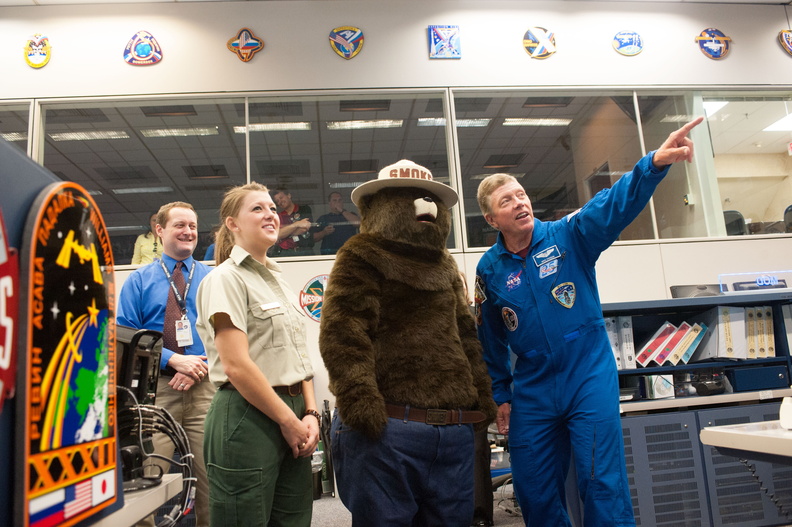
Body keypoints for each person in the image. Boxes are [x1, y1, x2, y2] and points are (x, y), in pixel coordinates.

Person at [473, 117, 704, 526]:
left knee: (600, 482)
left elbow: (612, 204)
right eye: (507, 201)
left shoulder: (569, 235)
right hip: (533, 385)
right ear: (492, 220)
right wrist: (500, 393)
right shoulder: (489, 270)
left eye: (522, 194)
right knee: (534, 490)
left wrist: (653, 164)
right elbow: (490, 337)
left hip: (586, 374)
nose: (520, 203)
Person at [196, 182, 319, 527]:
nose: (270, 214)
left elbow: (299, 357)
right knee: (244, 518)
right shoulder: (224, 279)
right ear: (233, 224)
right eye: (257, 209)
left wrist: (309, 412)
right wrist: (288, 420)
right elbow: (236, 366)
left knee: (293, 518)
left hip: (294, 412)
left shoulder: (277, 279)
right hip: (247, 415)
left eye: (271, 208)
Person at [116, 201, 214, 527]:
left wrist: (197, 366)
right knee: (149, 480)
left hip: (205, 389)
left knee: (211, 480)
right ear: (159, 230)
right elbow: (126, 337)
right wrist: (174, 360)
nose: (188, 232)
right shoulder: (139, 281)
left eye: (193, 227)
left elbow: (230, 333)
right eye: (179, 226)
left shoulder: (213, 278)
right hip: (157, 393)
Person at [271, 188, 314, 256]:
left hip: (305, 251)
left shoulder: (304, 209)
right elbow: (277, 235)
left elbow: (304, 228)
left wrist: (284, 233)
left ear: (289, 195)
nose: (280, 202)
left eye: (281, 197)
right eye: (277, 201)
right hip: (285, 253)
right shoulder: (278, 217)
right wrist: (296, 224)